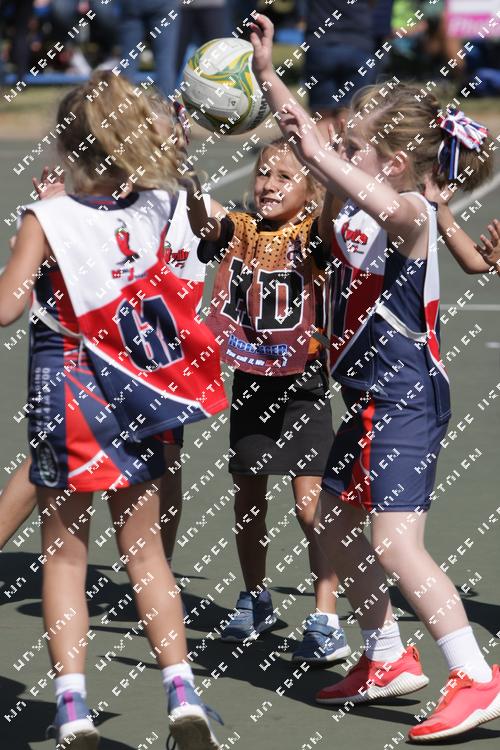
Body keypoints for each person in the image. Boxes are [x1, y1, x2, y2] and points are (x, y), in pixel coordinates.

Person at [249, 13, 500, 742]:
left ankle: (476, 677)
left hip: (404, 397)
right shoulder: (364, 203)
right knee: (334, 523)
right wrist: (269, 77)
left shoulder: (411, 212)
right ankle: (387, 656)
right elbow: (311, 137)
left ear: (389, 163)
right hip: (366, 398)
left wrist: (319, 153)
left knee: (396, 542)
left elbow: (339, 170)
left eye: (356, 148)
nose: (341, 153)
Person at [0, 71, 228, 750]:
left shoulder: (47, 218)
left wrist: (34, 231)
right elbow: (198, 215)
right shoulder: (158, 206)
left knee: (65, 557)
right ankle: (181, 690)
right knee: (146, 553)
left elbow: (9, 306)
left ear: (66, 148)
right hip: (137, 394)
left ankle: (73, 708)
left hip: (69, 392)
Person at [182, 136, 351, 665]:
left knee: (310, 505)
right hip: (253, 383)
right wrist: (189, 178)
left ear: (311, 190)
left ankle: (326, 616)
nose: (269, 184)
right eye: (263, 173)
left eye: (284, 176)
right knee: (248, 499)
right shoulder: (241, 228)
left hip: (303, 384)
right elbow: (204, 225)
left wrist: (332, 170)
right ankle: (255, 598)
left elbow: (331, 220)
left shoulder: (313, 232)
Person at [303, 0, 376, 140]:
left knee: (322, 115)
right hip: (358, 42)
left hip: (321, 44)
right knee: (351, 112)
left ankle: (321, 151)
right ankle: (346, 150)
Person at [120, 0, 180, 98]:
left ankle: (120, 101)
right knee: (165, 60)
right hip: (163, 5)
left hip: (132, 5)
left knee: (128, 60)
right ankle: (166, 104)